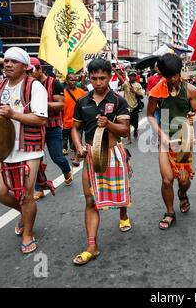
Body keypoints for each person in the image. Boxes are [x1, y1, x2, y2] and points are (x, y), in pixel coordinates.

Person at [71, 58, 132, 265]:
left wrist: (109, 124)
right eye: (94, 78)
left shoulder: (118, 101)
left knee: (121, 193)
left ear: (110, 77)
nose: (98, 82)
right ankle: (92, 245)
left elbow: (125, 130)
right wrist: (78, 146)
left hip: (113, 152)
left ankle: (123, 212)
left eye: (102, 78)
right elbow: (75, 128)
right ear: (89, 77)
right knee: (90, 200)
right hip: (90, 154)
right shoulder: (82, 102)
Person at [0, 47, 48, 254]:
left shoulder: (35, 87)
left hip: (28, 148)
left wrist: (14, 114)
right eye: (6, 61)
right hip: (4, 148)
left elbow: (41, 118)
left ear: (25, 66)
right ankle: (25, 213)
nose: (8, 64)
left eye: (14, 61)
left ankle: (28, 234)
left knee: (26, 196)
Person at [147, 53, 196, 230]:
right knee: (167, 180)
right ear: (161, 74)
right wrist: (162, 135)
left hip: (184, 139)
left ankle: (183, 194)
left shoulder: (191, 90)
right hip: (165, 140)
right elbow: (150, 116)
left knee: (184, 181)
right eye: (167, 76)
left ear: (180, 72)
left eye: (175, 75)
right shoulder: (156, 91)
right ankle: (169, 212)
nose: (172, 79)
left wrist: (194, 118)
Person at [28, 57, 72, 201]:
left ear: (39, 69)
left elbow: (60, 105)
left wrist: (41, 103)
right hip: (34, 128)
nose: (28, 75)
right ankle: (39, 188)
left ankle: (67, 171)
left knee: (57, 157)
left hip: (52, 128)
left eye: (31, 71)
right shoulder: (28, 85)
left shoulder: (54, 83)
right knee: (35, 160)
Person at [63, 72, 85, 167]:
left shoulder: (81, 92)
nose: (74, 82)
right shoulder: (63, 93)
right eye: (72, 80)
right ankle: (78, 151)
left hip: (79, 121)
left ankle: (77, 157)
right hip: (66, 121)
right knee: (72, 141)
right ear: (66, 81)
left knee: (78, 138)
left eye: (75, 80)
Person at [117, 69, 145, 144]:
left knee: (135, 124)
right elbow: (121, 82)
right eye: (131, 75)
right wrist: (117, 72)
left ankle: (135, 129)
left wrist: (134, 92)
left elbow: (142, 96)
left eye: (134, 76)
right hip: (127, 107)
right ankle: (129, 139)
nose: (132, 77)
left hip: (135, 106)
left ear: (136, 77)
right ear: (129, 76)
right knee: (127, 124)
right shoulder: (126, 84)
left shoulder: (138, 85)